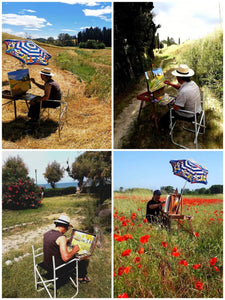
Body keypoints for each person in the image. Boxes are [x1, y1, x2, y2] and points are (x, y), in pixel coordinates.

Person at [43, 215, 90, 287]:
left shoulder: (47, 233)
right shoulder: (61, 237)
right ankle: (81, 278)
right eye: (67, 228)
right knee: (80, 259)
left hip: (46, 265)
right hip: (57, 268)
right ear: (64, 226)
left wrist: (66, 241)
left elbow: (54, 245)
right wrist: (74, 250)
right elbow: (65, 258)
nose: (67, 230)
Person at [159, 64, 201, 131]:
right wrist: (170, 84)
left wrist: (170, 102)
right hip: (197, 110)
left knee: (171, 111)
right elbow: (180, 87)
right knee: (175, 103)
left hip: (191, 115)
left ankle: (163, 127)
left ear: (178, 77)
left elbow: (176, 108)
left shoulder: (183, 92)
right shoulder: (192, 83)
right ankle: (168, 122)